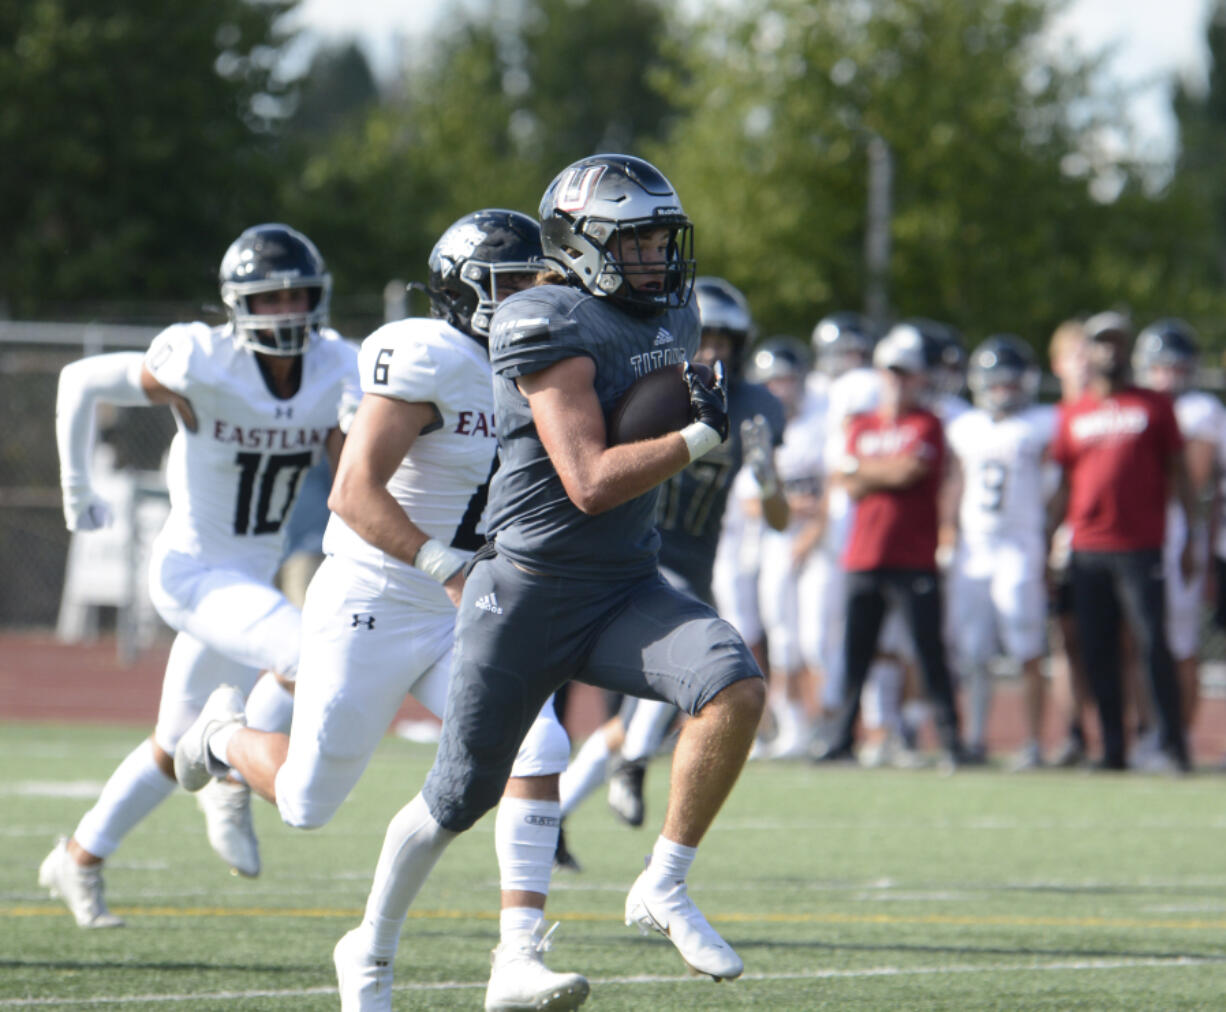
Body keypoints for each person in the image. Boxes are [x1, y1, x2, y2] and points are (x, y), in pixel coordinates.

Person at [320, 154, 765, 994]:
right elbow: (589, 483)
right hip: (523, 589)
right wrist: (695, 438)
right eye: (635, 244)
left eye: (662, 240)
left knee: (734, 687)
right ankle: (369, 946)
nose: (657, 261)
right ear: (580, 244)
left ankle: (661, 884)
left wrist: (683, 405)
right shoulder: (539, 318)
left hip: (627, 585)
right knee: (457, 798)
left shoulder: (677, 306)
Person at [173, 210, 588, 1011]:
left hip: (462, 599)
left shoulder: (545, 361)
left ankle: (516, 958)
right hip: (377, 594)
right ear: (465, 293)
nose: (533, 299)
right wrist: (446, 567)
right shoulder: (429, 355)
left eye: (541, 282)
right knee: (304, 803)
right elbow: (351, 491)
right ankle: (219, 733)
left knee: (540, 746)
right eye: (513, 286)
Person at [40, 224, 359, 927]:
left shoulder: (340, 366)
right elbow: (80, 379)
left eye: (299, 296)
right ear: (238, 305)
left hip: (249, 578)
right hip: (192, 572)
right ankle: (230, 765)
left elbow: (359, 466)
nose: (289, 311)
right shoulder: (202, 359)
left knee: (170, 740)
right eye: (271, 299)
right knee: (310, 653)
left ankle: (81, 856)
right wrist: (75, 490)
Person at [558, 276, 786, 843]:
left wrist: (765, 475)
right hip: (636, 555)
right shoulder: (651, 386)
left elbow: (778, 517)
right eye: (704, 337)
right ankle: (629, 767)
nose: (713, 351)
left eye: (725, 342)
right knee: (672, 689)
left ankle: (557, 812)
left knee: (638, 717)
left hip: (695, 563)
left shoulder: (755, 406)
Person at [1047, 311, 1196, 772]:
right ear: (1088, 351)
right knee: (1097, 649)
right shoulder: (1073, 412)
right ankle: (1112, 749)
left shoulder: (1153, 406)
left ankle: (1172, 745)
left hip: (1141, 545)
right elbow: (1066, 484)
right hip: (1087, 548)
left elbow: (1182, 478)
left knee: (1153, 644)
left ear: (1128, 349)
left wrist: (1190, 537)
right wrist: (1048, 539)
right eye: (1100, 343)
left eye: (1115, 343)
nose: (1108, 351)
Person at [813, 322, 965, 767]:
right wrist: (881, 469)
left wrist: (867, 469)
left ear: (920, 377)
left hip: (913, 556)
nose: (897, 381)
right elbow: (847, 482)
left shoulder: (929, 423)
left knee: (929, 652)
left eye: (905, 373)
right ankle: (841, 738)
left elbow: (907, 472)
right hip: (864, 555)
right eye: (891, 372)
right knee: (854, 656)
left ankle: (952, 742)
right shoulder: (861, 423)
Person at [945, 336, 1056, 769]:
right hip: (974, 549)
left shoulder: (1042, 423)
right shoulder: (965, 426)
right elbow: (954, 482)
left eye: (1012, 382)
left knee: (1027, 646)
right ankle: (974, 737)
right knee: (972, 653)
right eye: (997, 381)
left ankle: (1032, 742)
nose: (1004, 389)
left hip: (1020, 546)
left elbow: (1056, 485)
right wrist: (946, 530)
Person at [1130, 319, 1220, 756]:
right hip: (1134, 532)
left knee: (1179, 642)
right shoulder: (1134, 405)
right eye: (1160, 367)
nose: (1167, 376)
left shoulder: (1200, 410)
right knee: (1139, 639)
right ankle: (1148, 732)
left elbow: (1195, 476)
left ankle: (1177, 737)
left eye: (1176, 367)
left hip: (1180, 533)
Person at [1045, 320, 1094, 766]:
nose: (1086, 361)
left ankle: (1136, 731)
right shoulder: (1049, 418)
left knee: (1121, 641)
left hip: (1103, 540)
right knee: (1066, 641)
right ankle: (1074, 731)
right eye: (1076, 353)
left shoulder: (1106, 411)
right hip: (1062, 542)